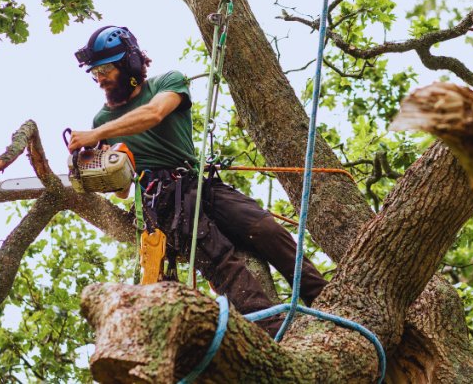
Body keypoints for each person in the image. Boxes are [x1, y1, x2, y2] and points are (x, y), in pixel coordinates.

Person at [67, 25, 327, 337]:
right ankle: (275, 333)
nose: (99, 79)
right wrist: (101, 167)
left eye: (105, 70)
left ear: (129, 64)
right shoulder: (102, 120)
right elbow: (122, 191)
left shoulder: (167, 83)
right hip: (163, 202)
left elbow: (154, 114)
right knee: (221, 259)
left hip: (197, 184)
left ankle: (323, 299)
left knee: (265, 229)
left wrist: (97, 134)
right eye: (95, 73)